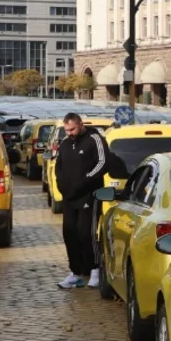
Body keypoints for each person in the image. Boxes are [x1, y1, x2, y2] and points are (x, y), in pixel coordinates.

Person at [53, 112, 111, 289]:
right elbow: (59, 167)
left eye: (72, 129)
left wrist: (85, 179)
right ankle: (75, 272)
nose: (69, 133)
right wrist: (62, 185)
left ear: (80, 124)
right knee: (69, 233)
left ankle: (94, 269)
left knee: (86, 232)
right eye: (66, 130)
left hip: (89, 195)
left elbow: (103, 163)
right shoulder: (65, 143)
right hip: (70, 197)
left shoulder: (95, 139)